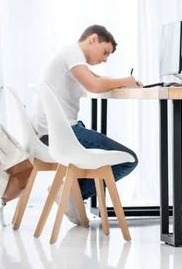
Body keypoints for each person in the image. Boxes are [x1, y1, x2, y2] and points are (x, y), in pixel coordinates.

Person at [32, 24, 142, 225]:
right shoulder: (71, 53)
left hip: (55, 133)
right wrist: (125, 79)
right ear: (93, 39)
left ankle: (68, 193)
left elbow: (97, 79)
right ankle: (69, 193)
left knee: (116, 155)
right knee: (129, 159)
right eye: (105, 52)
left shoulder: (72, 59)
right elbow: (94, 85)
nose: (105, 59)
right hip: (61, 135)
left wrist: (122, 82)